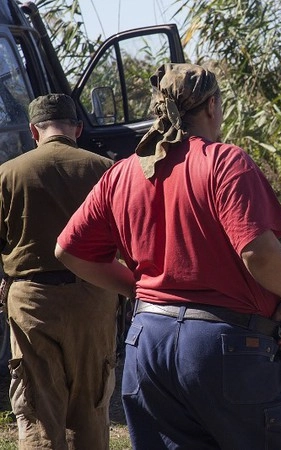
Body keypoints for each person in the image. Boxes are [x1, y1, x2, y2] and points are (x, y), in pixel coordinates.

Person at [54, 63, 281, 449]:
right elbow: (257, 253)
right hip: (225, 344)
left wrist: (141, 290)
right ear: (211, 106)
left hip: (148, 343)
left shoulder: (122, 174)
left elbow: (68, 251)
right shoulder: (224, 162)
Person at [0, 93, 118, 449]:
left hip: (31, 303)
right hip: (93, 298)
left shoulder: (8, 173)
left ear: (34, 131)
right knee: (91, 405)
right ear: (77, 129)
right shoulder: (107, 170)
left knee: (39, 409)